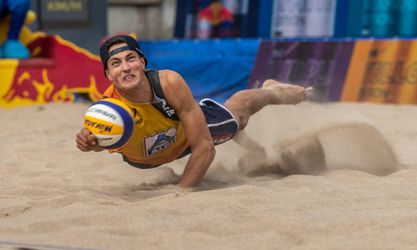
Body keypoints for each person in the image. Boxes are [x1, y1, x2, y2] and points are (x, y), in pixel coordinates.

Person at [75, 35, 308, 189]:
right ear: (107, 74)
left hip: (184, 136)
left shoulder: (168, 83)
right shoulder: (108, 109)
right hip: (146, 158)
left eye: (130, 58)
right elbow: (102, 138)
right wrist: (89, 142)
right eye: (115, 63)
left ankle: (273, 92)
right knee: (228, 127)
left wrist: (182, 191)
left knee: (238, 115)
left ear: (142, 62)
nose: (125, 67)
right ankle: (241, 136)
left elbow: (204, 147)